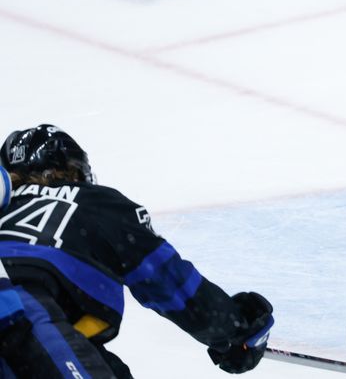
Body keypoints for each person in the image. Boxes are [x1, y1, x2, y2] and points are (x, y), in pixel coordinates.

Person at [0, 125, 273, 378]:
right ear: (69, 171)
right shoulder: (95, 202)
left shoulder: (6, 208)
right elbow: (169, 281)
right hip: (22, 314)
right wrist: (236, 329)